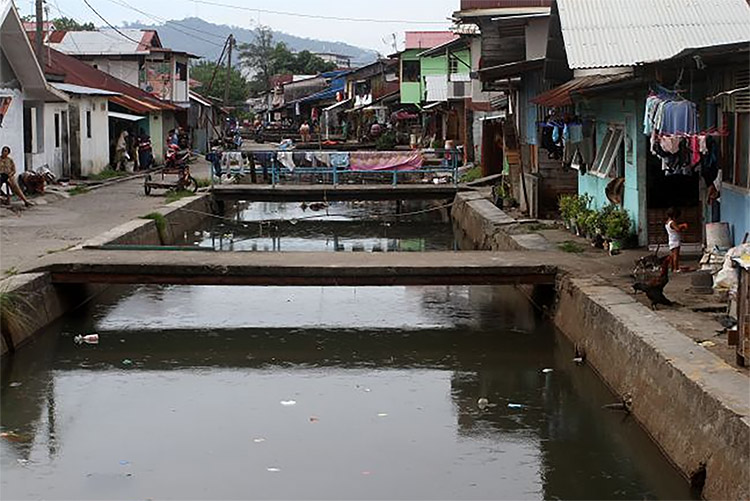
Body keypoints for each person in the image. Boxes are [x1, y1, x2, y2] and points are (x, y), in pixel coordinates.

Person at [665, 207, 688, 272]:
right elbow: (677, 229)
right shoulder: (672, 222)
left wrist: (680, 226)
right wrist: (683, 226)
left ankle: (672, 268)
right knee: (676, 255)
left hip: (671, 240)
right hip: (675, 240)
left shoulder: (667, 222)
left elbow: (674, 227)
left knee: (672, 255)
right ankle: (676, 268)